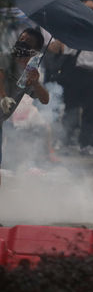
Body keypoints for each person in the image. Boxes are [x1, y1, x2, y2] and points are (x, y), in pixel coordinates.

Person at [50, 0, 93, 155]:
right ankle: (65, 140)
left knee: (90, 111)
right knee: (71, 109)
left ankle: (85, 143)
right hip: (74, 71)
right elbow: (55, 48)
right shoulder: (71, 25)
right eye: (89, 8)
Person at [0, 28, 50, 187]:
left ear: (34, 51)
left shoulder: (28, 74)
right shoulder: (5, 57)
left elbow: (45, 99)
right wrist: (3, 97)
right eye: (21, 38)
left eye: (27, 42)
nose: (21, 42)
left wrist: (35, 83)